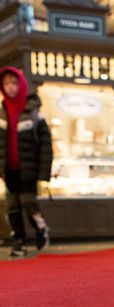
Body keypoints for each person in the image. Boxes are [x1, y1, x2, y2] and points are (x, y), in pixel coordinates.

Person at [0, 67, 53, 257]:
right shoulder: (2, 112)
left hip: (29, 168)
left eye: (14, 83)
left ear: (21, 84)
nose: (10, 87)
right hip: (9, 169)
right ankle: (19, 241)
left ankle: (41, 229)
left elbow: (46, 145)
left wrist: (44, 172)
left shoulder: (33, 112)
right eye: (6, 83)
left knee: (28, 201)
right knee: (12, 205)